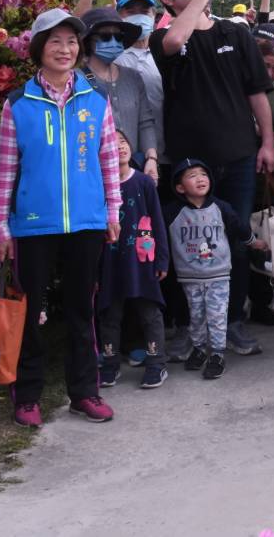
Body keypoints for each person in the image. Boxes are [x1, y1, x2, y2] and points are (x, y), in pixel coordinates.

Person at [0, 9, 122, 427]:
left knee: (82, 310)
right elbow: (6, 168)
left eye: (71, 42)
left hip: (86, 221)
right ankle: (27, 395)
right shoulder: (18, 103)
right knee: (28, 313)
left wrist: (113, 210)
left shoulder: (95, 100)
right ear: (38, 49)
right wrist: (0, 224)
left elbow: (108, 161)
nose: (64, 50)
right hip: (33, 223)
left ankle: (84, 392)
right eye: (55, 42)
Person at [150, 0, 274, 356]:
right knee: (188, 242)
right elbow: (175, 40)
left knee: (235, 238)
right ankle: (189, 326)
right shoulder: (164, 37)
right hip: (190, 161)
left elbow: (257, 93)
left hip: (238, 154)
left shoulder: (235, 33)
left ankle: (232, 321)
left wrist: (267, 142)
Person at [164, 158, 264, 382]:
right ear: (180, 187)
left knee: (217, 315)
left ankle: (217, 355)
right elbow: (157, 232)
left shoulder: (221, 207)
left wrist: (253, 242)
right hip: (189, 276)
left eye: (203, 174)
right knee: (196, 316)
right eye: (192, 176)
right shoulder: (172, 212)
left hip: (218, 274)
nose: (200, 179)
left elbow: (239, 226)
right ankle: (199, 349)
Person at [98, 129, 170, 389]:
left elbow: (157, 221)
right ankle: (110, 365)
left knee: (149, 313)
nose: (119, 147)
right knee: (109, 314)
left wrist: (161, 259)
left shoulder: (143, 183)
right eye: (112, 143)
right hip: (110, 262)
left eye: (123, 141)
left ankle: (156, 364)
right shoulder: (97, 185)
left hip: (142, 259)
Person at [80, 8, 160, 185]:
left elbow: (145, 121)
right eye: (105, 37)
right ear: (88, 41)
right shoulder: (76, 80)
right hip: (92, 173)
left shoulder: (133, 77)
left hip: (132, 172)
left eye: (118, 37)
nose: (113, 42)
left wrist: (151, 158)